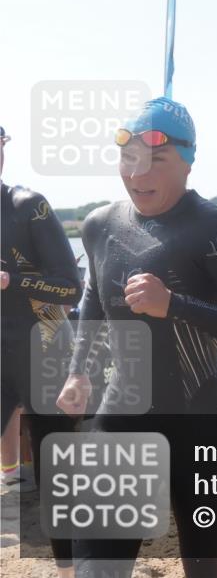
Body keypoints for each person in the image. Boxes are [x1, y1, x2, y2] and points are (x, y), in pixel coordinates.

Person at [56, 97, 217, 578]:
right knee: (96, 570)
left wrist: (174, 305)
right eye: (128, 157)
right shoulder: (100, 225)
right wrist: (78, 372)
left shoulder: (210, 228)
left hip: (203, 431)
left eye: (156, 159)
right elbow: (94, 296)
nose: (138, 173)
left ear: (188, 161)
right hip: (120, 423)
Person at [0, 124, 82, 577]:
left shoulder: (28, 206)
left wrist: (12, 280)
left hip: (44, 349)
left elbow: (70, 287)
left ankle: (68, 571)